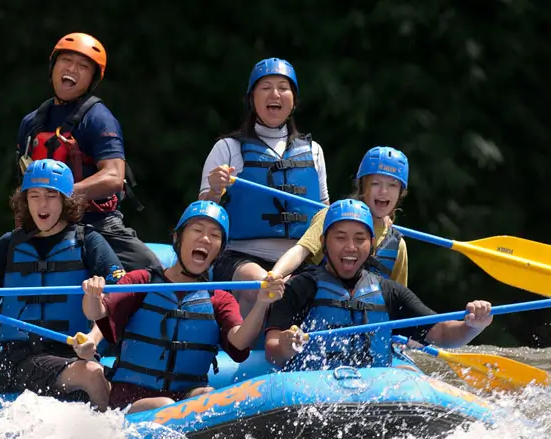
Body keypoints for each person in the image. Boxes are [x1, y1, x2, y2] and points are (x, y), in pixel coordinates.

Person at [82, 200, 285, 413]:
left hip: (184, 398)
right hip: (130, 399)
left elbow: (240, 339)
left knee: (207, 396)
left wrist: (262, 303)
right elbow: (96, 312)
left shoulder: (219, 298)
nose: (205, 239)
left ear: (219, 251)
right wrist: (93, 296)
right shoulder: (142, 281)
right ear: (177, 238)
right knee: (165, 406)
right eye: (197, 230)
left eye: (215, 236)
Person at [0, 159, 124, 408]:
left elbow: (118, 300)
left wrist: (93, 337)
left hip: (73, 353)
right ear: (25, 201)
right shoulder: (10, 244)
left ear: (65, 200)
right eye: (34, 196)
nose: (42, 204)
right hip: (19, 360)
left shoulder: (88, 241)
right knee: (92, 374)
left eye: (51, 195)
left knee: (104, 377)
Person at [264, 199, 493, 371]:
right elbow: (272, 351)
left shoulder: (389, 292)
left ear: (371, 244)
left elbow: (442, 333)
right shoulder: (301, 287)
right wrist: (286, 346)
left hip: (373, 390)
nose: (350, 247)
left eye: (360, 239)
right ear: (324, 242)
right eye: (340, 237)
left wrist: (472, 326)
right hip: (313, 387)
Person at [15, 32, 160, 272]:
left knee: (151, 268)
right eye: (66, 61)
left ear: (92, 79)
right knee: (4, 257)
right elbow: (22, 189)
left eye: (83, 66)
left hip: (97, 223)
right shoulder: (31, 123)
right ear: (53, 67)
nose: (72, 69)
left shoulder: (98, 118)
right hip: (40, 224)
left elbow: (114, 176)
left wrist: (59, 195)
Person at [198, 57, 329, 317]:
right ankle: (244, 352)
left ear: (293, 100)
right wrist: (214, 191)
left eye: (283, 87)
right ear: (252, 99)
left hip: (300, 259)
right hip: (241, 256)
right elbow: (202, 213)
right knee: (261, 286)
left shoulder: (314, 151)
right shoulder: (227, 148)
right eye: (266, 87)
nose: (275, 94)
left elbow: (323, 213)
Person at [270, 146, 410, 286]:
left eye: (392, 185)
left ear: (400, 193)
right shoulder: (331, 216)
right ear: (362, 186)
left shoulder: (398, 246)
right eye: (375, 183)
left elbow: (398, 298)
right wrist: (275, 275)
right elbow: (300, 251)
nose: (383, 191)